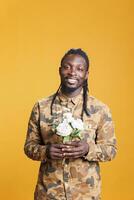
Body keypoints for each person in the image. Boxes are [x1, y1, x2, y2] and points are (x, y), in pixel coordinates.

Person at [24, 48, 117, 200]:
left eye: (80, 69)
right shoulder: (41, 107)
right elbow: (29, 147)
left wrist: (88, 149)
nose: (73, 72)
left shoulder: (100, 109)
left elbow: (111, 150)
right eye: (67, 67)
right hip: (48, 193)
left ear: (86, 75)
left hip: (86, 194)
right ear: (60, 70)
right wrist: (46, 151)